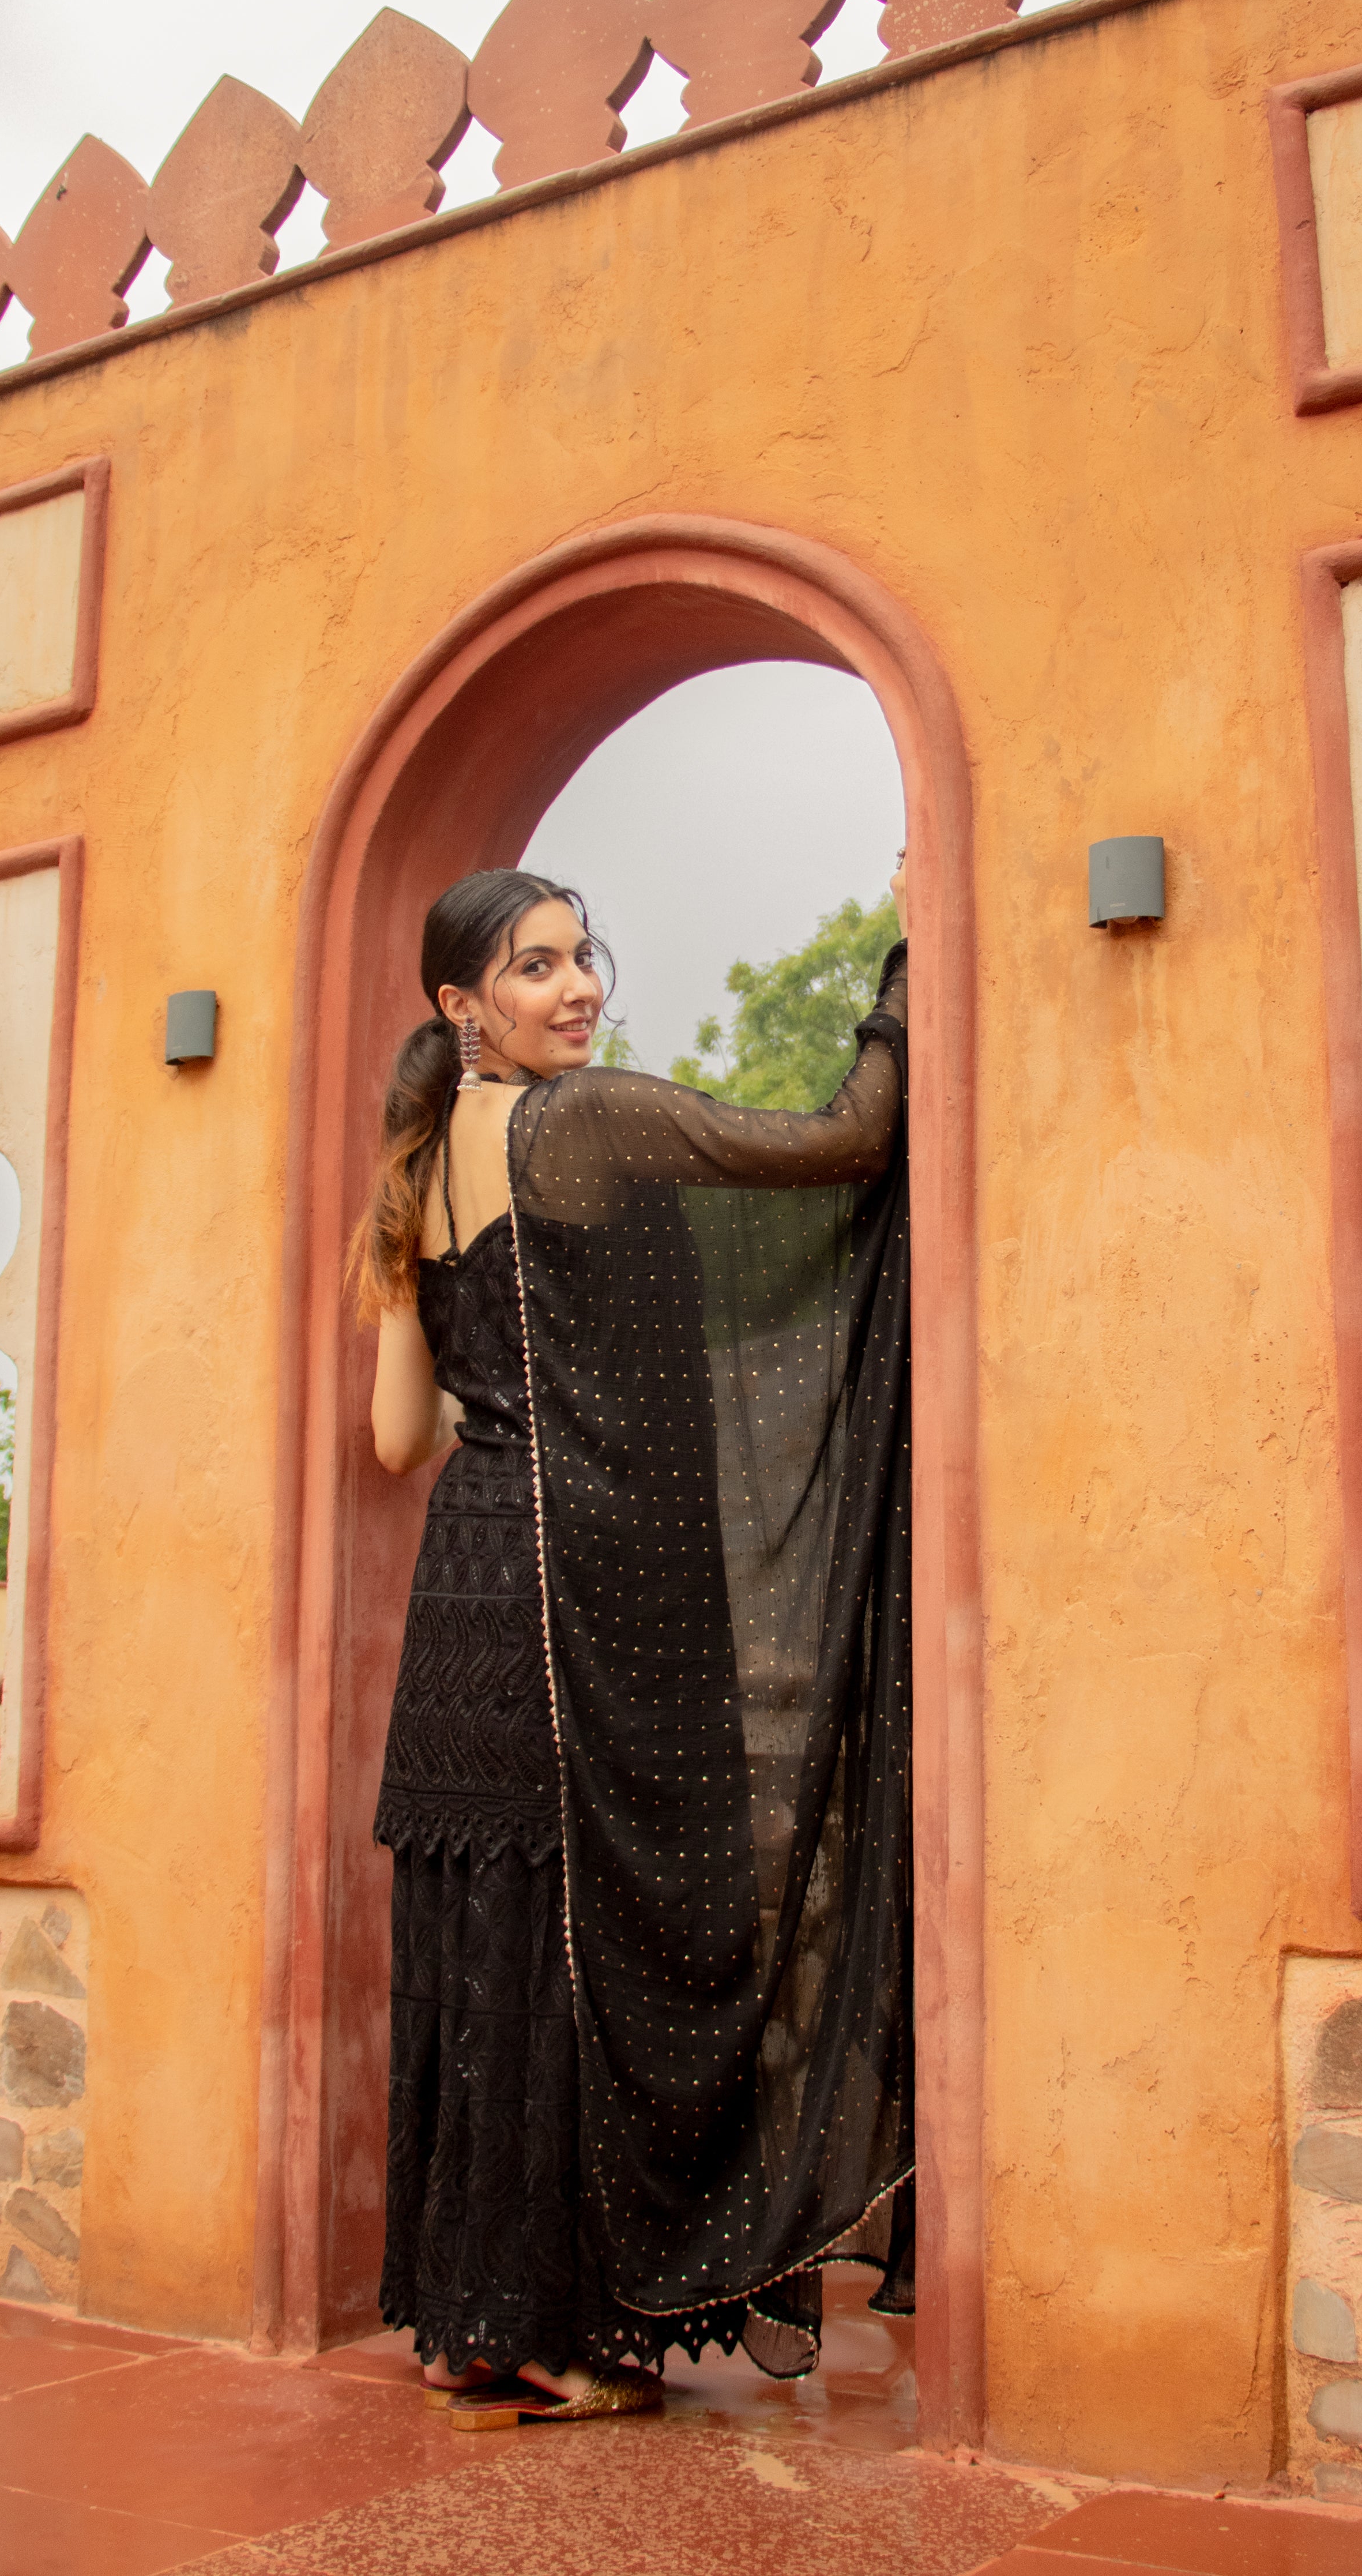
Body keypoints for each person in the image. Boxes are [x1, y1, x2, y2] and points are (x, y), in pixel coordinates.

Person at [353, 862, 913, 2427]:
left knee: (490, 1950)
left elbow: (396, 1437)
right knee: (579, 1949)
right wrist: (906, 965)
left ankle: (476, 2322)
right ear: (462, 1003)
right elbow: (846, 1142)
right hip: (578, 1596)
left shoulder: (414, 1169)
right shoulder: (581, 1123)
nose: (578, 985)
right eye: (535, 967)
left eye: (580, 955)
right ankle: (558, 2333)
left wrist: (506, 1394)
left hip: (464, 1597)